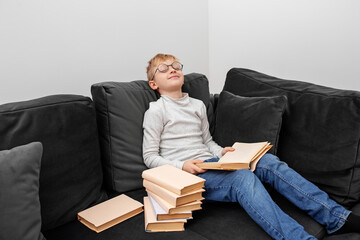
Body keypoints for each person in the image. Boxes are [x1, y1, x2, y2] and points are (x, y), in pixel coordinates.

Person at [142, 53, 359, 240]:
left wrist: (222, 152)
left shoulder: (197, 105)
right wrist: (183, 166)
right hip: (187, 177)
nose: (172, 69)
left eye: (176, 65)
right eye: (163, 68)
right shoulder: (156, 111)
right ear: (154, 84)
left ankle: (337, 217)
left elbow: (207, 142)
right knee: (243, 178)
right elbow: (150, 157)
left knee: (267, 161)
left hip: (212, 163)